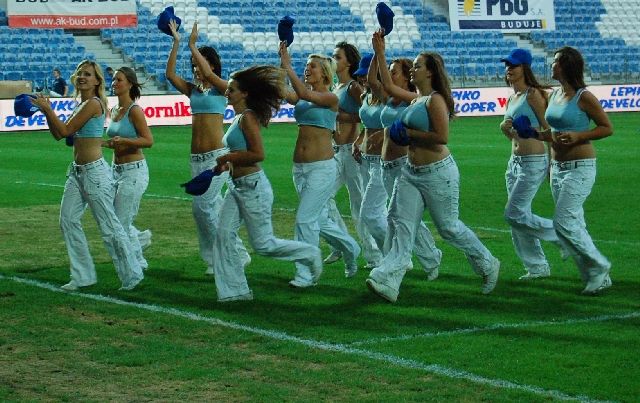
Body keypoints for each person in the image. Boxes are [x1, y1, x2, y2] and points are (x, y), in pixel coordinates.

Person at [366, 37, 500, 302]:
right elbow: (390, 86)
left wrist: (408, 134)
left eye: (417, 66)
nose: (412, 70)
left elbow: (441, 137)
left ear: (430, 71)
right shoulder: (417, 98)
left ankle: (488, 263)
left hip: (438, 172)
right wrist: (379, 51)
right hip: (411, 172)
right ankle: (388, 281)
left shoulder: (435, 100)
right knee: (400, 223)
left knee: (448, 227)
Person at [211, 65, 323, 301]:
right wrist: (226, 164)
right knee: (222, 234)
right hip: (237, 186)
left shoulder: (248, 118)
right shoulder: (240, 117)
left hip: (252, 187)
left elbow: (257, 154)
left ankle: (310, 252)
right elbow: (242, 152)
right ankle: (235, 291)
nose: (227, 93)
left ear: (245, 94)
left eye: (232, 89)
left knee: (264, 245)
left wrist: (228, 157)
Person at [31, 60, 143, 291]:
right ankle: (83, 275)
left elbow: (64, 131)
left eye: (88, 74)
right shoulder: (81, 104)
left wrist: (48, 109)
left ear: (97, 81)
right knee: (68, 220)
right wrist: (47, 113)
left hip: (94, 172)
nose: (82, 77)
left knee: (109, 226)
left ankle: (132, 273)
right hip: (77, 172)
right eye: (80, 73)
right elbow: (58, 135)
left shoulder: (93, 104)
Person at [166, 21, 248, 275]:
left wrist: (193, 46)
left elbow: (211, 76)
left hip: (216, 158)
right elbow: (169, 75)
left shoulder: (223, 89)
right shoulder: (193, 90)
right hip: (196, 159)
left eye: (199, 64)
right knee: (207, 209)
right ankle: (225, 256)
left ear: (211, 65)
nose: (195, 69)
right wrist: (178, 43)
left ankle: (228, 255)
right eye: (193, 66)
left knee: (202, 208)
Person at [278, 41, 361, 287]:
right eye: (306, 66)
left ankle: (306, 274)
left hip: (322, 168)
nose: (307, 69)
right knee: (319, 221)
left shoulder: (330, 97)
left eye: (312, 67)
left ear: (324, 72)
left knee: (304, 220)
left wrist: (287, 65)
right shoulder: (306, 97)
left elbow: (302, 94)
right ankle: (351, 247)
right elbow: (287, 92)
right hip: (300, 169)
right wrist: (281, 67)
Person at [369, 31, 442, 279]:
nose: (389, 74)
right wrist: (377, 52)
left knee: (399, 217)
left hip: (403, 163)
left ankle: (398, 264)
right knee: (401, 217)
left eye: (395, 71)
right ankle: (429, 257)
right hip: (385, 164)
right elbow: (373, 81)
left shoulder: (413, 99)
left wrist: (381, 52)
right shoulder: (390, 99)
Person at [543, 46, 613, 294]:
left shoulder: (585, 97)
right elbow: (552, 133)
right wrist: (531, 134)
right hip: (558, 167)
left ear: (567, 66)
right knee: (575, 223)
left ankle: (599, 264)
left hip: (580, 167)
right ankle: (595, 276)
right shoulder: (553, 94)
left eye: (556, 62)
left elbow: (606, 127)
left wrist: (578, 135)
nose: (552, 65)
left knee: (563, 222)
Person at [498, 48, 562, 280]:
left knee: (513, 213)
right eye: (507, 65)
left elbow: (550, 131)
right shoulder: (512, 98)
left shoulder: (533, 94)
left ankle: (560, 236)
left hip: (534, 161)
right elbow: (515, 135)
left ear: (525, 68)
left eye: (513, 65)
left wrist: (552, 164)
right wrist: (508, 130)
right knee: (518, 219)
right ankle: (536, 266)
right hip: (514, 162)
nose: (509, 69)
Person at [325, 41, 381, 269]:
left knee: (358, 206)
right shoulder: (335, 88)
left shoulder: (352, 88)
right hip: (336, 152)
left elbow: (367, 114)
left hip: (352, 152)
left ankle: (373, 256)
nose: (333, 60)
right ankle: (341, 243)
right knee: (323, 198)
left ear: (349, 62)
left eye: (337, 57)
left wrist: (341, 117)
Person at [105, 66, 154, 271]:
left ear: (130, 84)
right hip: (115, 170)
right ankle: (140, 240)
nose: (114, 83)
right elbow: (115, 141)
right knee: (115, 219)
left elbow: (148, 141)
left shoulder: (135, 111)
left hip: (134, 171)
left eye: (119, 80)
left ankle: (135, 265)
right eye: (114, 80)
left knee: (119, 223)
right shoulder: (114, 110)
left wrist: (123, 141)